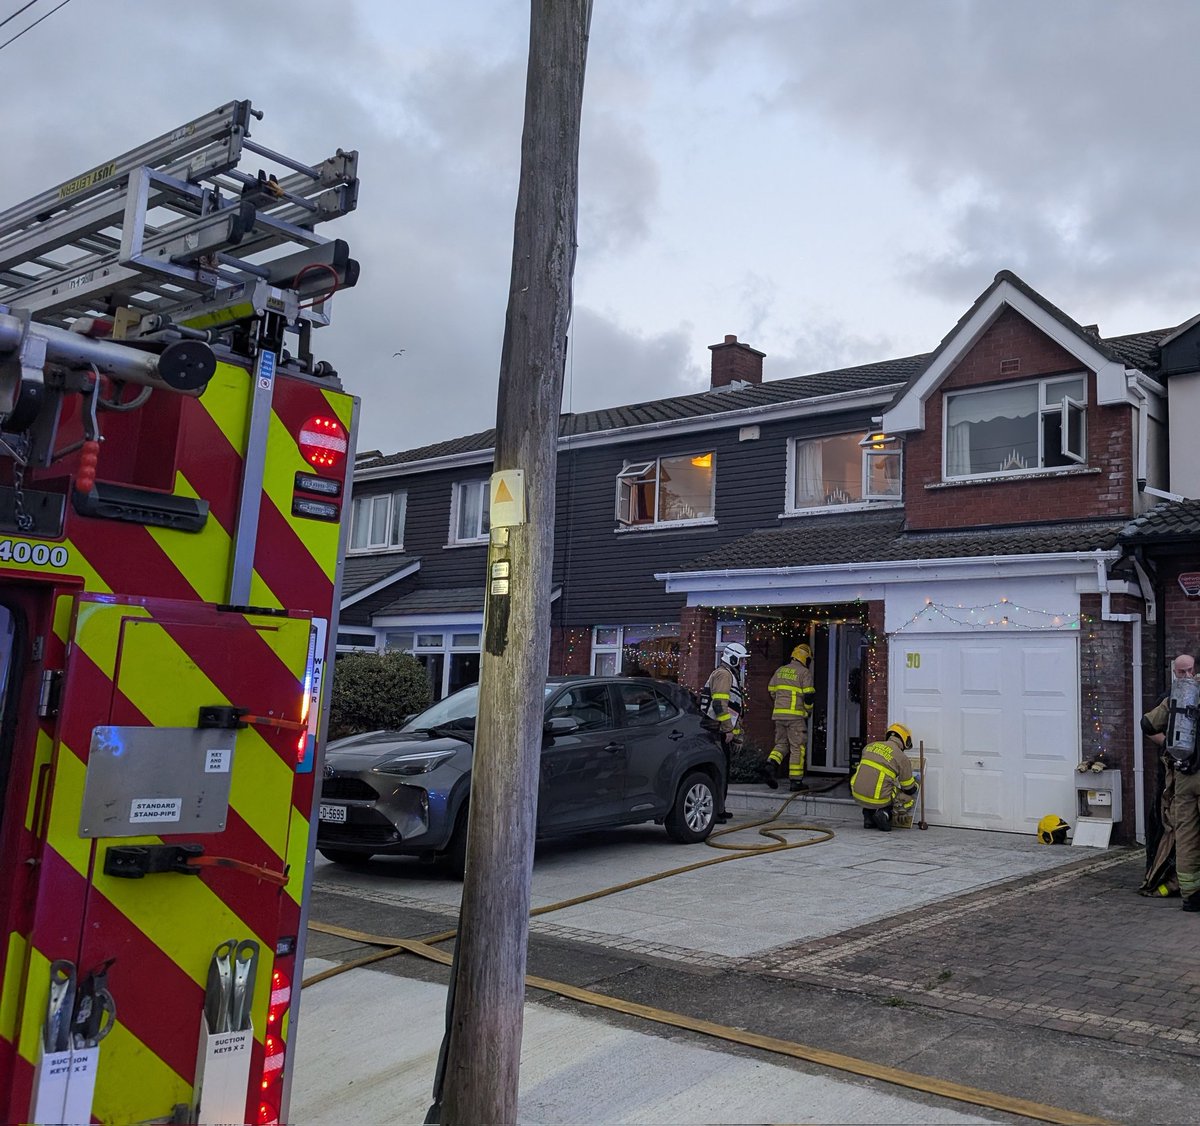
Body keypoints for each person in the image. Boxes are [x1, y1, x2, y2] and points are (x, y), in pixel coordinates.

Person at [1141, 652, 1200, 911]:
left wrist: (1168, 745)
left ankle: (1191, 897)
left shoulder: (1173, 698)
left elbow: (1146, 724)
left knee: (1186, 836)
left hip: (1184, 778)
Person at [702, 642, 748, 822]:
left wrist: (737, 733)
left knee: (722, 773)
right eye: (741, 661)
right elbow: (720, 705)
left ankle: (720, 808)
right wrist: (728, 729)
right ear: (733, 658)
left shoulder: (727, 674)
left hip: (720, 730)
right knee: (719, 773)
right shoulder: (723, 674)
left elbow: (734, 709)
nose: (743, 664)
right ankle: (717, 812)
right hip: (717, 732)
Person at [851, 721, 919, 832]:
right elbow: (908, 788)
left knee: (874, 784)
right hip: (878, 798)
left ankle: (868, 817)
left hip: (857, 793)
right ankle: (885, 813)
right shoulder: (902, 757)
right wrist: (915, 785)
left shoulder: (869, 747)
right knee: (907, 799)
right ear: (905, 740)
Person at [766, 643, 816, 792]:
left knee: (781, 744)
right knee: (797, 748)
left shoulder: (780, 670)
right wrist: (808, 711)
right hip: (795, 717)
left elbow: (771, 690)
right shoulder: (804, 672)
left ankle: (770, 766)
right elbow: (809, 695)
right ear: (805, 658)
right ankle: (796, 781)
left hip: (779, 716)